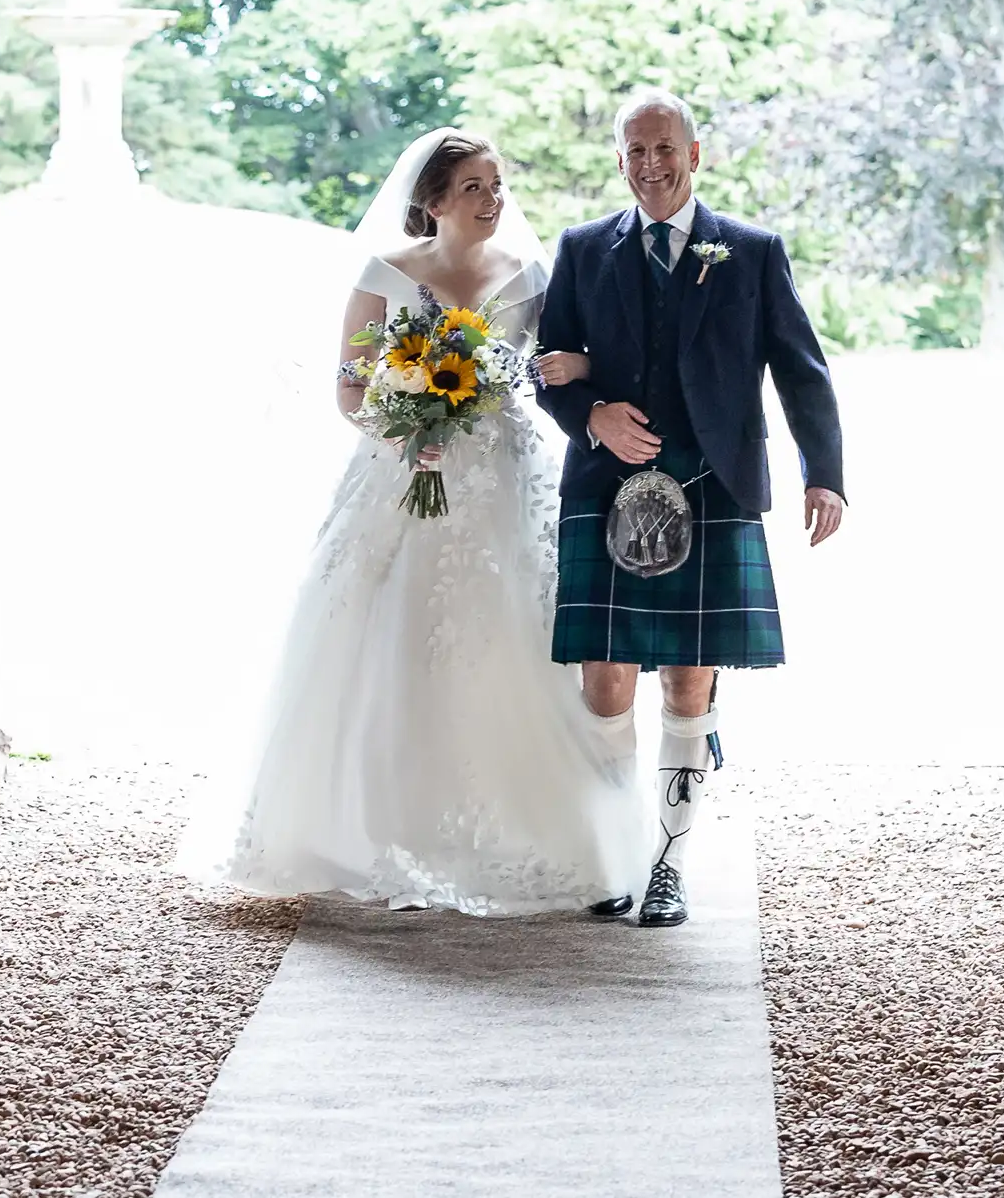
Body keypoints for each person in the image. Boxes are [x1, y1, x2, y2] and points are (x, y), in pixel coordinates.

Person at [177, 129, 647, 916]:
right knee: (390, 641)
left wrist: (579, 372)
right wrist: (412, 433)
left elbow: (557, 364)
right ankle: (378, 833)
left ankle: (532, 833)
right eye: (473, 187)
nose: (493, 199)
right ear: (432, 202)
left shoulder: (532, 276)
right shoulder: (384, 273)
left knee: (509, 639)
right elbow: (350, 388)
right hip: (404, 477)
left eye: (498, 184)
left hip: (500, 477)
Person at [536, 88, 846, 928]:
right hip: (605, 486)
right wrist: (590, 416)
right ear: (620, 160)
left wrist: (827, 472)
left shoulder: (749, 251)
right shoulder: (581, 249)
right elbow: (548, 365)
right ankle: (610, 850)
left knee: (686, 678)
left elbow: (801, 368)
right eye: (635, 152)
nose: (651, 166)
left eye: (664, 148)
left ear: (695, 153)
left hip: (713, 487)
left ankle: (668, 864)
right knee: (604, 680)